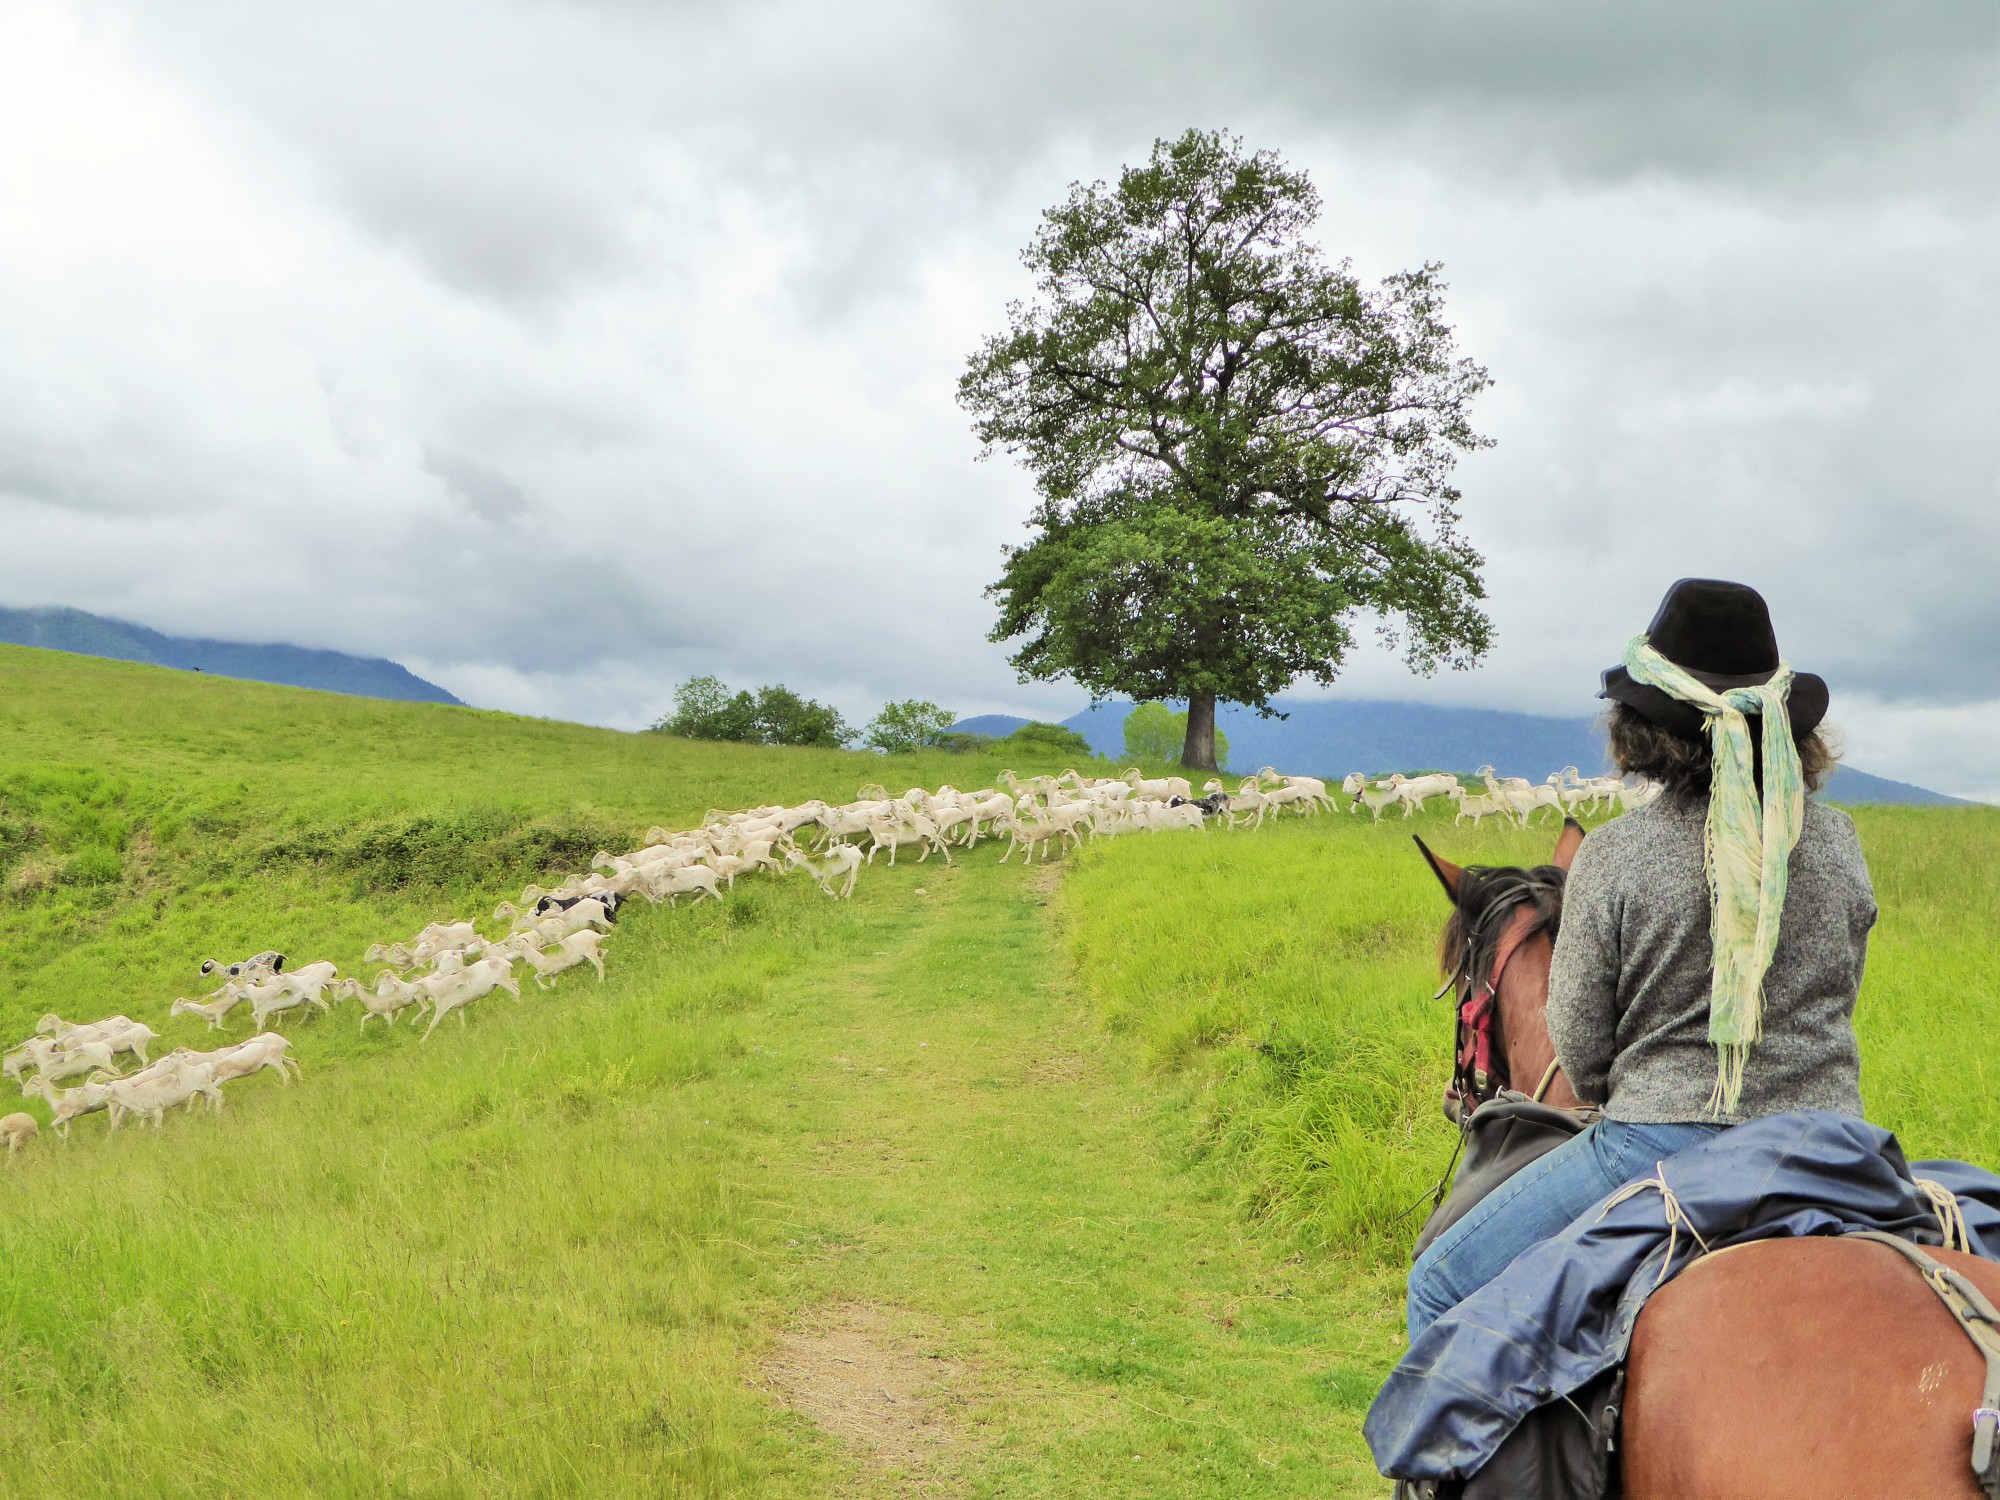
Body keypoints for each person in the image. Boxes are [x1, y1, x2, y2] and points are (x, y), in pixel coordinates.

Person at [1405, 577, 1879, 1340]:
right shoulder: (1840, 844)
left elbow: (1585, 1060)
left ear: (1646, 728)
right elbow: (1837, 995)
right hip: (1835, 1146)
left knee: (1438, 1284)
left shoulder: (1615, 857)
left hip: (1659, 1147)